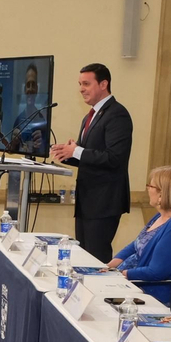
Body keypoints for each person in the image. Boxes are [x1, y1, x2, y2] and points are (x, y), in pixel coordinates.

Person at [51, 62, 134, 261]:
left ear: (103, 84)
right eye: (80, 84)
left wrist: (78, 150)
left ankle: (102, 293)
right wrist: (67, 153)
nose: (81, 89)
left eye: (86, 84)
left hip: (104, 201)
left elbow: (115, 158)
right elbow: (91, 157)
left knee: (96, 259)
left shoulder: (117, 114)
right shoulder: (89, 116)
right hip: (87, 200)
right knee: (83, 256)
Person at [103, 165, 171, 303]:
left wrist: (121, 274)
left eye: (150, 186)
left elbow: (157, 271)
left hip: (149, 291)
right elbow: (137, 244)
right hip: (129, 282)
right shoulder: (159, 216)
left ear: (163, 193)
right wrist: (110, 265)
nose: (148, 189)